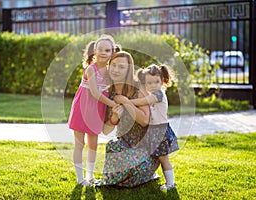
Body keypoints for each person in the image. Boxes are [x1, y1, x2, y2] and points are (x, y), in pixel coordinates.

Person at [99, 51, 161, 187]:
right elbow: (105, 130)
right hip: (124, 145)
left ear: (129, 70)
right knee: (112, 145)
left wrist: (125, 101)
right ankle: (119, 179)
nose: (116, 70)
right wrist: (114, 118)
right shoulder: (108, 93)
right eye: (113, 65)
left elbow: (144, 120)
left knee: (135, 170)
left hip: (145, 150)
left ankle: (138, 175)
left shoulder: (139, 88)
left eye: (121, 67)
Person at [68, 34, 120, 186]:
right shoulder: (91, 69)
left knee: (93, 145)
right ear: (94, 51)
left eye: (107, 50)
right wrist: (112, 104)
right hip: (82, 108)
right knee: (79, 144)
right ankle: (80, 179)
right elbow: (95, 93)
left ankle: (90, 177)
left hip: (97, 111)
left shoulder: (111, 71)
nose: (103, 53)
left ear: (112, 52)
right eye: (100, 49)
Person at [127, 64, 179, 190]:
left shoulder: (159, 94)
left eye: (157, 82)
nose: (154, 85)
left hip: (160, 131)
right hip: (154, 130)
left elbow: (141, 102)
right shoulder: (153, 93)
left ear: (162, 81)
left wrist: (127, 102)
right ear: (145, 84)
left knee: (163, 158)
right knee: (154, 156)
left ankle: (171, 183)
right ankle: (151, 174)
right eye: (150, 83)